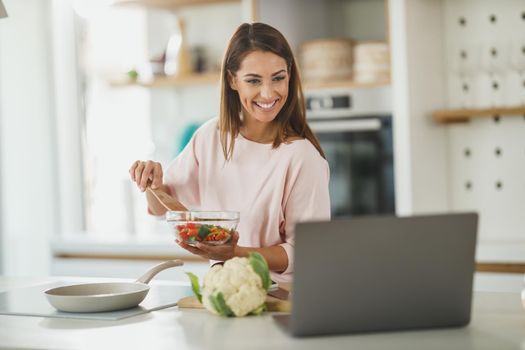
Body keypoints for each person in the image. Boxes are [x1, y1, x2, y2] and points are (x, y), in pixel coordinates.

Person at [129, 22, 330, 283]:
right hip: (224, 293)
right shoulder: (210, 137)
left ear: (290, 76)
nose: (268, 93)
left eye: (278, 78)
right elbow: (165, 208)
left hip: (283, 303)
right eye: (253, 80)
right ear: (232, 80)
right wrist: (152, 184)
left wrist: (235, 253)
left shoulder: (303, 158)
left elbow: (305, 252)